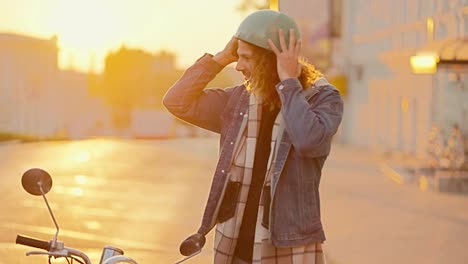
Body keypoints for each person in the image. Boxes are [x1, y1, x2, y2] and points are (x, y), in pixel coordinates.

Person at [163, 9, 343, 264]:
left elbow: (308, 140)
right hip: (235, 242)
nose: (238, 65)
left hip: (289, 245)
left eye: (246, 57)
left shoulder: (323, 98)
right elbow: (177, 102)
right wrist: (220, 58)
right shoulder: (238, 101)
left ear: (270, 59)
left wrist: (288, 83)